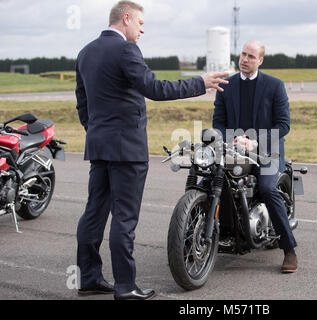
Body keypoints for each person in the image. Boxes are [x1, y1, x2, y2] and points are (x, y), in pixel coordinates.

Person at [75, 1, 228, 300]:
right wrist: (200, 83)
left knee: (93, 213)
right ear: (126, 18)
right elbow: (155, 89)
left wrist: (96, 133)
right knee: (124, 218)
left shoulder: (86, 52)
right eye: (141, 23)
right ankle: (125, 286)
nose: (143, 29)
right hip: (127, 150)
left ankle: (89, 278)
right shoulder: (125, 50)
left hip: (99, 145)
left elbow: (83, 103)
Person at [212, 40, 298, 273]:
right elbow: (218, 121)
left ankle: (289, 249)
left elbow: (283, 125)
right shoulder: (226, 84)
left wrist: (255, 141)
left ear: (260, 60)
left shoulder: (274, 85)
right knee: (207, 182)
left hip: (267, 150)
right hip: (233, 149)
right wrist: (229, 140)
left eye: (251, 56)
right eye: (242, 54)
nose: (244, 59)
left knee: (268, 189)